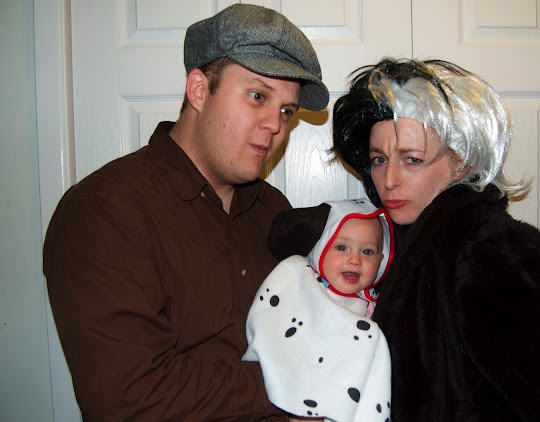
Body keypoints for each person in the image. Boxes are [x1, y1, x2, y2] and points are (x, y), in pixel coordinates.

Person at [42, 4, 329, 421]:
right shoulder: (104, 211)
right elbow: (129, 397)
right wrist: (299, 383)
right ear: (198, 90)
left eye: (287, 111)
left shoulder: (274, 211)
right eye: (258, 96)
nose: (275, 125)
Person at [332, 58, 540, 421]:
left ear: (461, 163)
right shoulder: (399, 245)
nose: (389, 180)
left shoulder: (494, 248)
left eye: (412, 159)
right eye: (379, 159)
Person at [243, 198, 393, 422]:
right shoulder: (301, 285)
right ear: (320, 248)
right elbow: (275, 334)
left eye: (368, 252)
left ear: (382, 258)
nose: (355, 260)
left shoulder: (377, 307)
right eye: (341, 247)